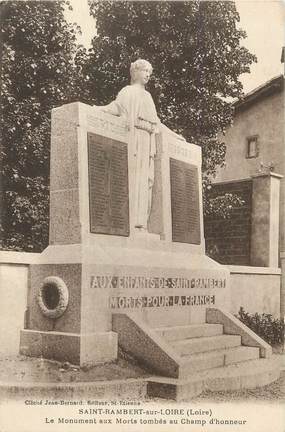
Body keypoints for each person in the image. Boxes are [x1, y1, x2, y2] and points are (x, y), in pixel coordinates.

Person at [98, 59, 160, 231]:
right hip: (135, 139)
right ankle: (132, 221)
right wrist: (99, 109)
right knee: (134, 178)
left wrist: (175, 135)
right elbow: (117, 107)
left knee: (145, 180)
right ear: (135, 72)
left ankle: (142, 222)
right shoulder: (128, 91)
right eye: (145, 70)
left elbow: (157, 124)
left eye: (150, 72)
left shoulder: (148, 96)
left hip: (147, 142)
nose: (148, 74)